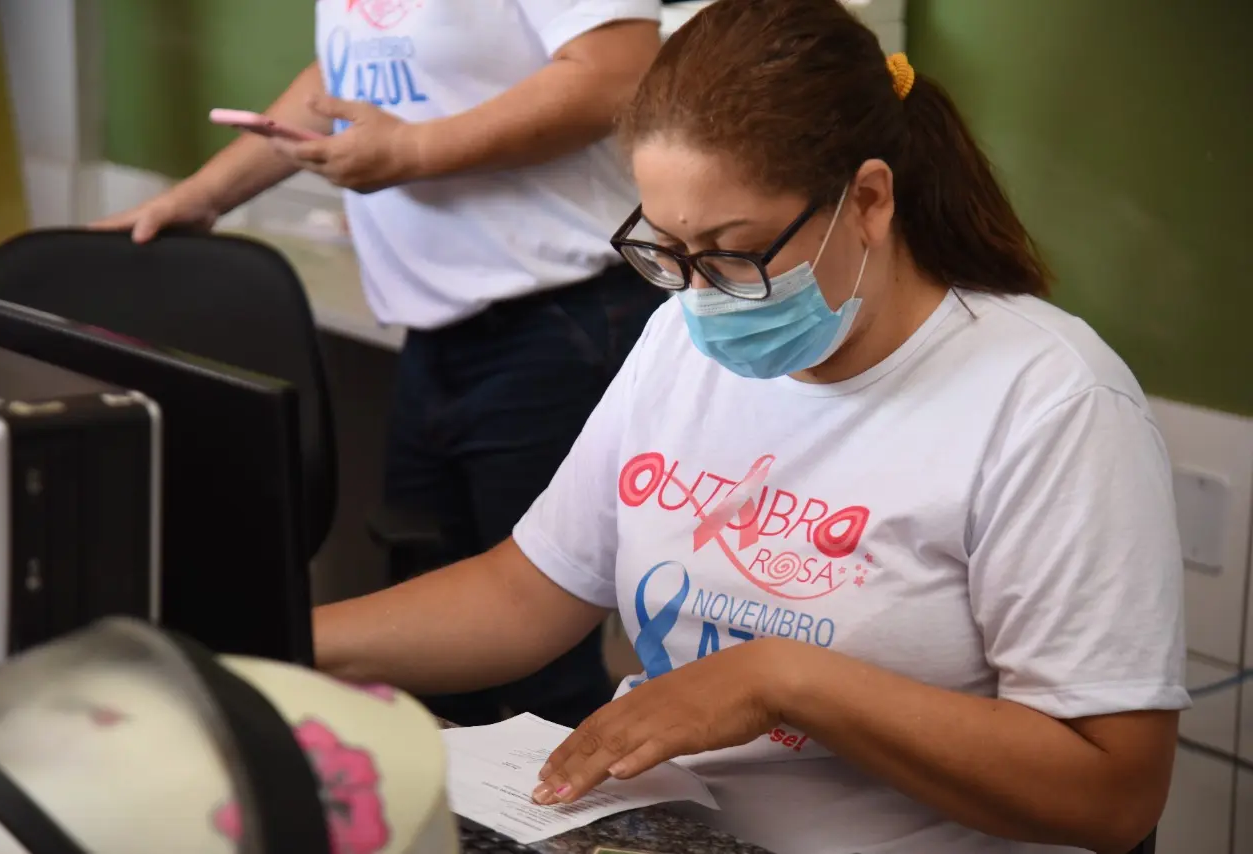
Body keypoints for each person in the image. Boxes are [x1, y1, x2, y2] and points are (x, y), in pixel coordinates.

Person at [312, 1, 1189, 851]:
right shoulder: (679, 339)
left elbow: (1112, 795)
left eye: (734, 253)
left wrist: (786, 681)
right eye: (668, 250)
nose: (699, 296)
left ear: (869, 200)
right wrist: (278, 639)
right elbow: (528, 593)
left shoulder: (1049, 402)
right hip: (653, 831)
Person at [94, 0, 668, 729]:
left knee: (541, 658)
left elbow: (617, 76)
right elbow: (341, 76)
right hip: (437, 332)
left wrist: (415, 151)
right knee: (431, 642)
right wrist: (201, 197)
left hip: (559, 322)